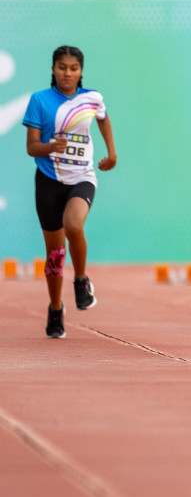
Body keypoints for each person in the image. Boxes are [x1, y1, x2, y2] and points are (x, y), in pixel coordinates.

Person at [22, 46, 116, 339]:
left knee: (74, 225)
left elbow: (103, 118)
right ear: (53, 69)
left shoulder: (92, 98)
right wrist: (52, 146)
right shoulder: (39, 100)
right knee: (54, 253)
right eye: (62, 67)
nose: (67, 73)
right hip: (49, 181)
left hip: (82, 177)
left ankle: (81, 279)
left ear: (80, 71)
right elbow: (31, 148)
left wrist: (111, 154)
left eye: (73, 68)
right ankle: (55, 307)